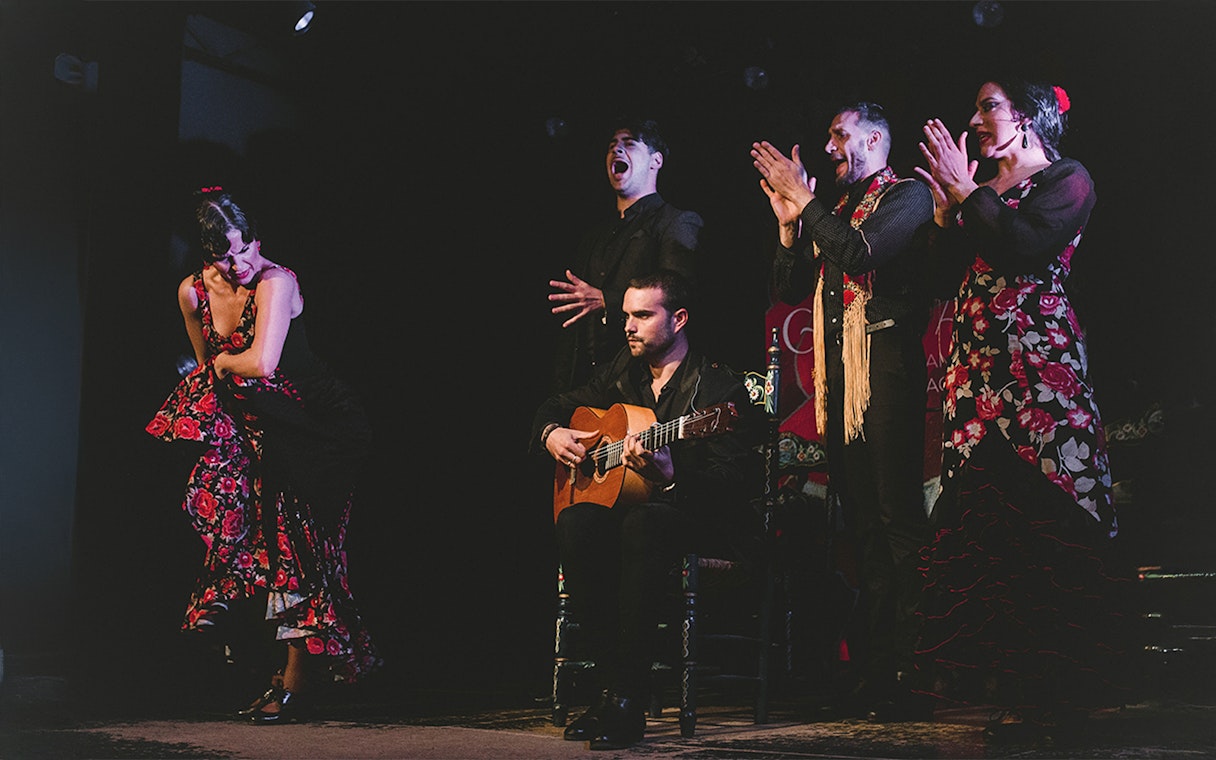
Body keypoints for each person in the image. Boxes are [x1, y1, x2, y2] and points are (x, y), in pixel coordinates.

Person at [913, 78, 1128, 740]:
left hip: (1040, 372)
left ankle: (1054, 696)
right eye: (975, 107)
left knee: (1045, 524)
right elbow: (938, 276)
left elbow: (1026, 246)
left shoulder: (1067, 177)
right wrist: (948, 212)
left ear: (1029, 117)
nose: (975, 119)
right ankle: (1010, 693)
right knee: (990, 529)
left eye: (989, 106)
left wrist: (970, 194)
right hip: (976, 376)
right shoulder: (983, 193)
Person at [147, 188, 380, 723]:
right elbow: (209, 374)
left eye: (247, 247)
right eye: (228, 256)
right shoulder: (192, 293)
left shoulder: (277, 281)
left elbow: (261, 363)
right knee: (227, 509)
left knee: (301, 547)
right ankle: (231, 617)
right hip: (259, 427)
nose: (241, 263)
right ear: (207, 258)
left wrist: (225, 368)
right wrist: (222, 390)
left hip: (319, 427)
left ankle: (296, 685)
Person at [750, 102, 934, 720]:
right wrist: (787, 225)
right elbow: (788, 290)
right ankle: (881, 674)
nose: (829, 147)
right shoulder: (837, 212)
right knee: (864, 532)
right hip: (843, 384)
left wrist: (807, 206)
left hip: (885, 374)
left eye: (840, 134)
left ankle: (921, 668)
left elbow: (859, 254)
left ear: (876, 138)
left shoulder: (906, 196)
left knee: (897, 523)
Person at [533, 269, 763, 750]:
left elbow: (732, 486)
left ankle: (627, 698)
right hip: (634, 523)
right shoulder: (624, 370)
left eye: (642, 315)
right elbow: (559, 402)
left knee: (646, 521)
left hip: (701, 522)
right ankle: (608, 689)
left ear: (678, 319)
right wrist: (551, 432)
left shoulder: (719, 393)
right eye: (625, 316)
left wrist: (670, 475)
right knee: (575, 520)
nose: (628, 327)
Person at [548, 118, 703, 393]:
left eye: (629, 144)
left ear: (656, 161)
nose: (617, 151)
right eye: (612, 146)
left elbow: (680, 292)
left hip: (640, 384)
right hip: (588, 387)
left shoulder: (675, 222)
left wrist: (607, 300)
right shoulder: (594, 237)